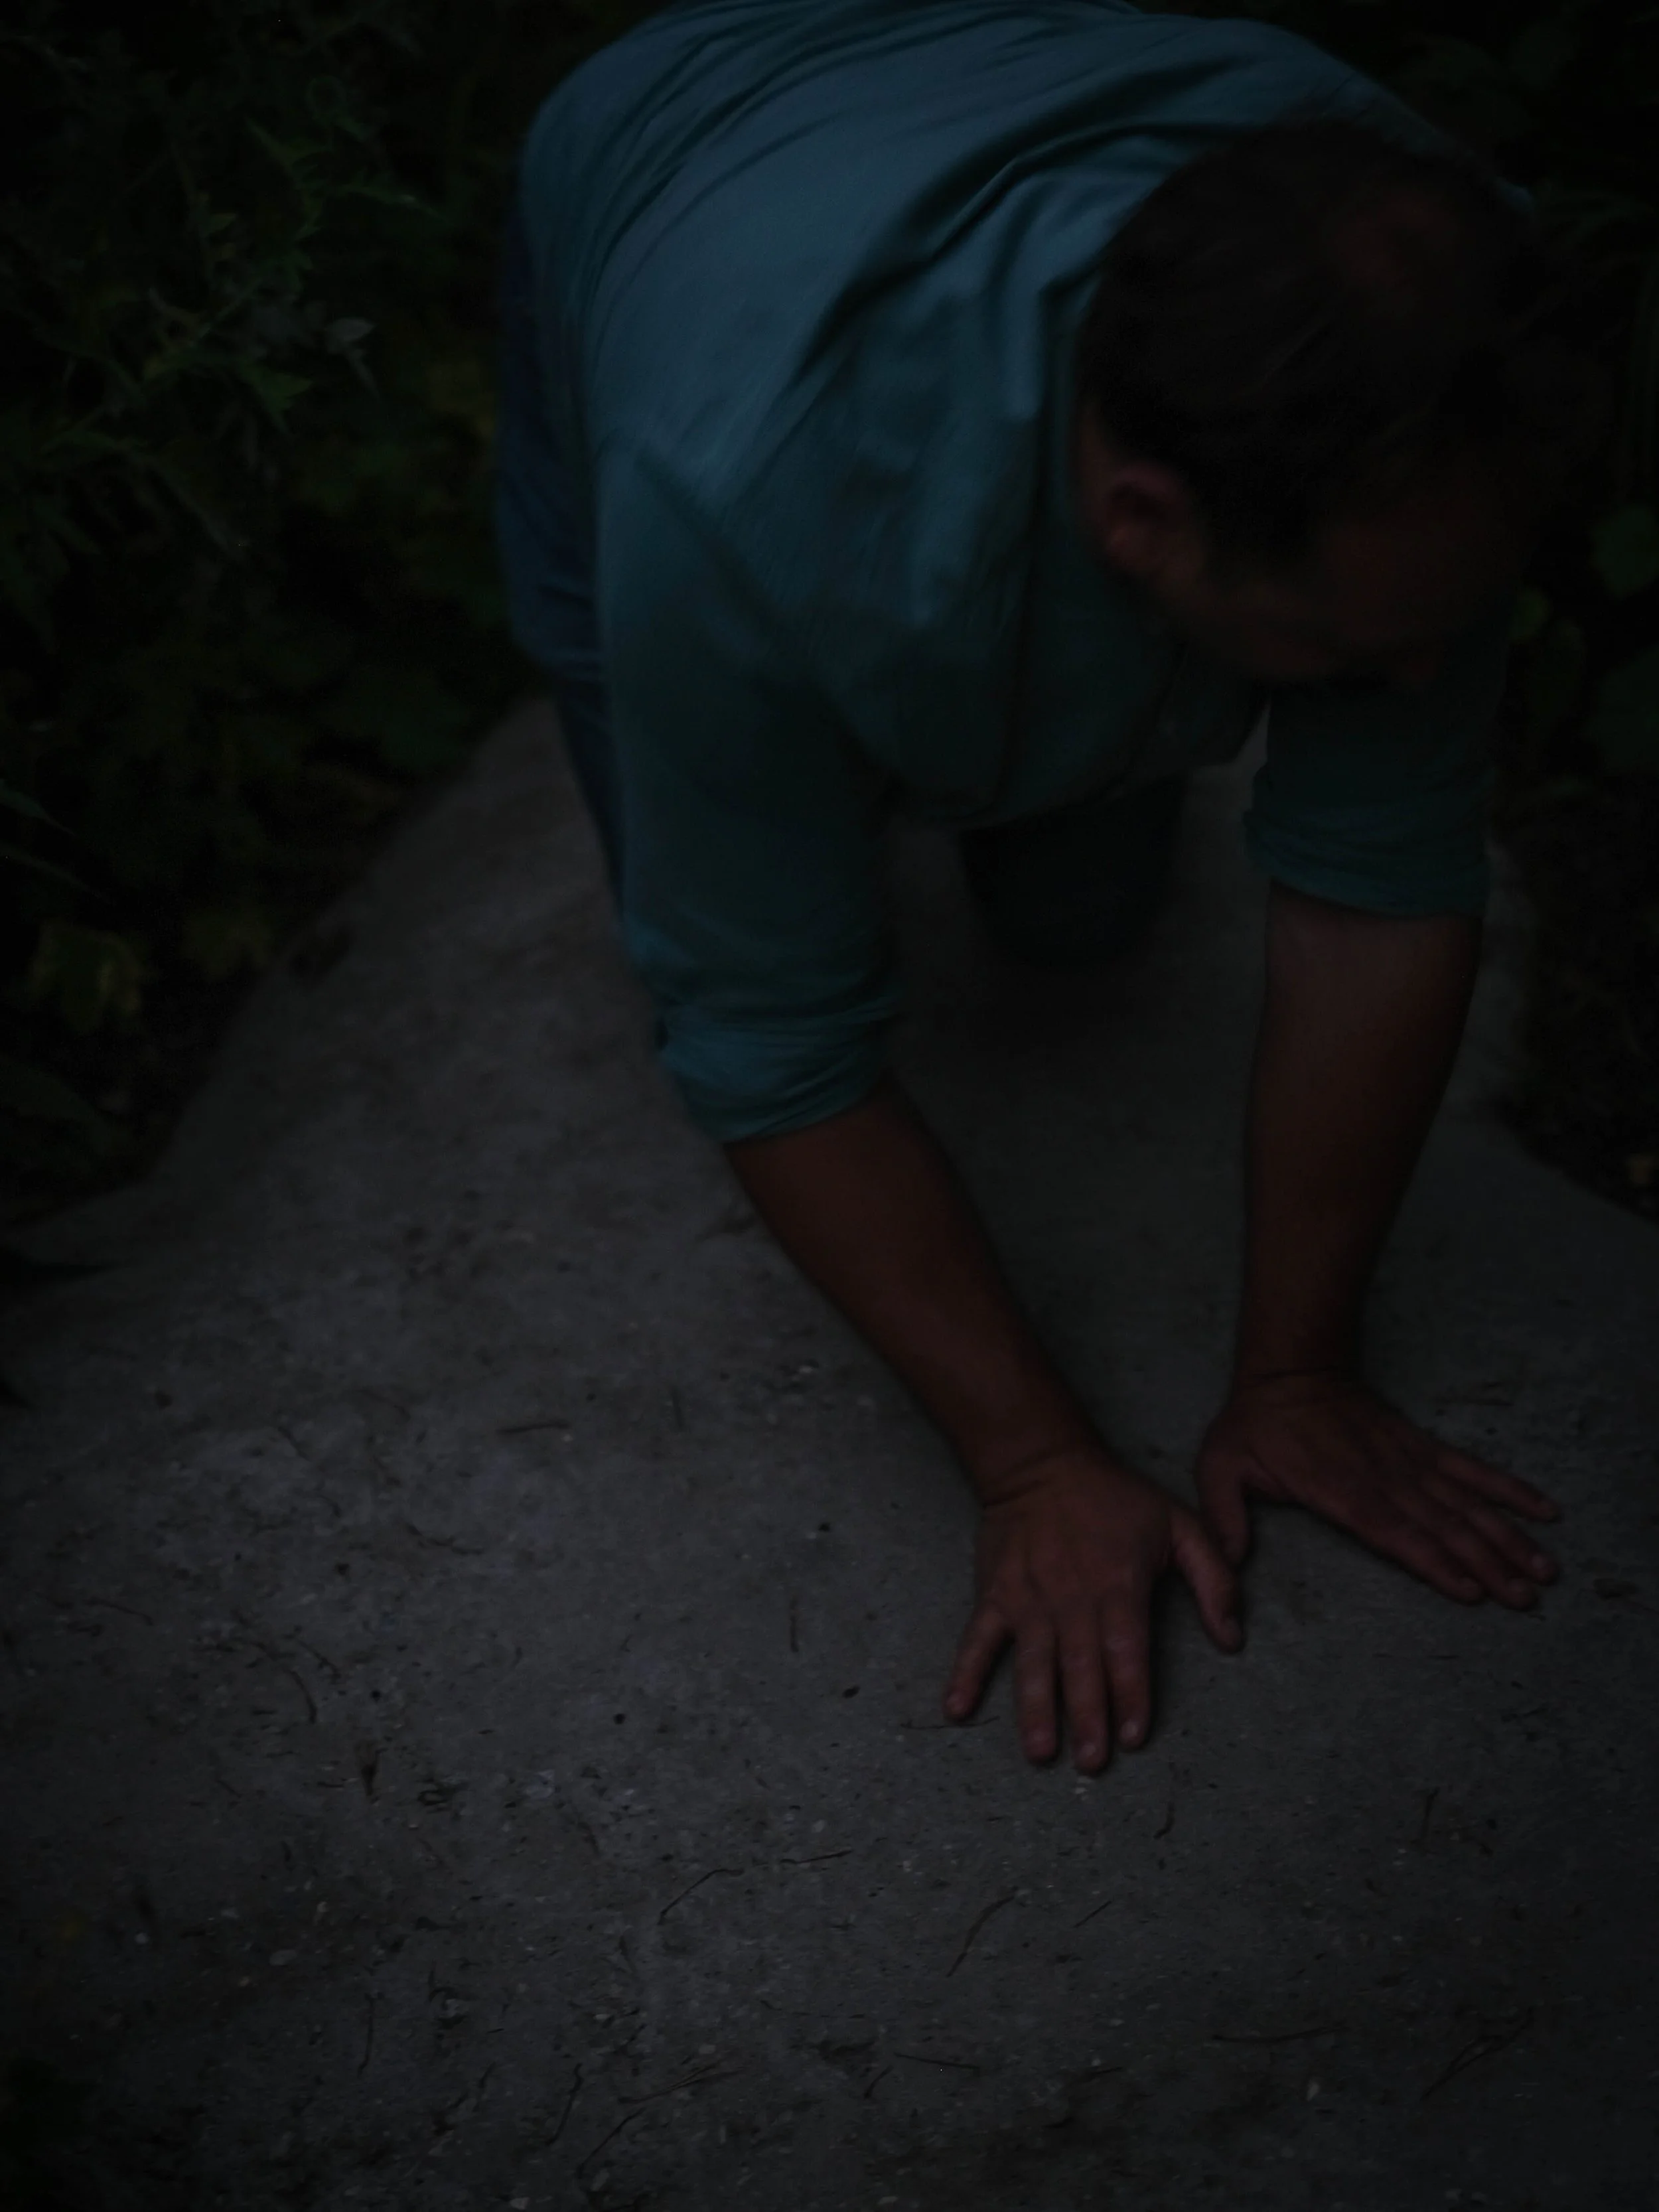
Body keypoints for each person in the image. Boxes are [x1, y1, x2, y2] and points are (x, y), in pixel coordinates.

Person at [496, 0, 1593, 1775]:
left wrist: (1297, 1373)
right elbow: (772, 1044)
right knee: (710, 910)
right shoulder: (726, 493)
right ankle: (789, 735)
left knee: (1076, 927)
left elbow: (1377, 881)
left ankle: (996, 736)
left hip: (980, 106)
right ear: (1146, 515)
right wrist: (1031, 1457)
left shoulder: (1434, 340)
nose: (1413, 690)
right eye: (1344, 645)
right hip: (654, 143)